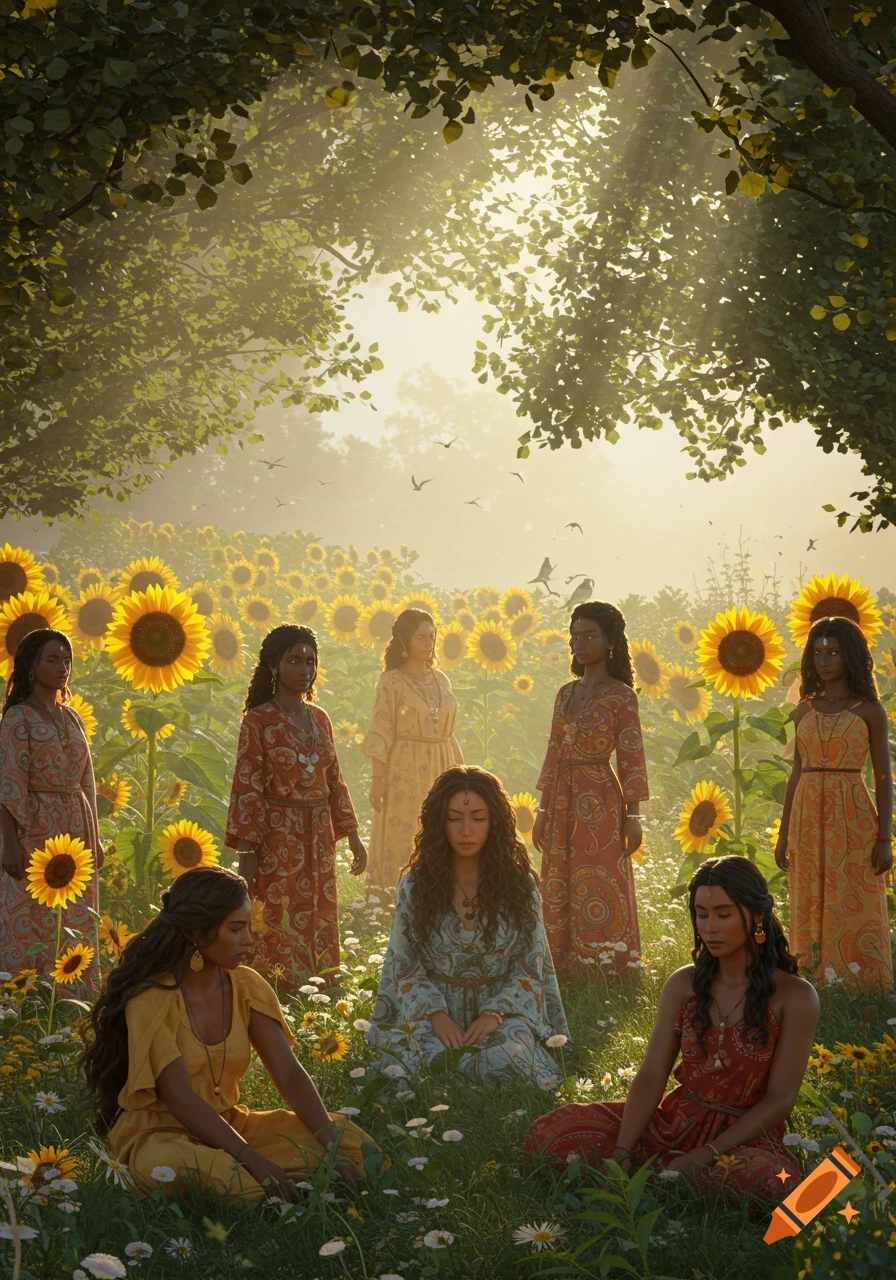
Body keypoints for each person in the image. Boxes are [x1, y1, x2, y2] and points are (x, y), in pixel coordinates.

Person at [526, 856, 820, 1207]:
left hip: (745, 1139)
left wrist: (707, 1154)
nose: (709, 926)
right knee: (550, 1133)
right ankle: (655, 1177)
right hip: (673, 1124)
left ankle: (664, 1180)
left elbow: (780, 1101)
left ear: (757, 916)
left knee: (769, 1183)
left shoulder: (796, 996)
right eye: (701, 913)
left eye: (723, 914)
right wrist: (621, 1152)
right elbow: (652, 1073)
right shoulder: (684, 984)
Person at [82, 867, 375, 1201]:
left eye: (248, 926)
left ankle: (280, 1187)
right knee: (213, 1175)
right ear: (196, 931)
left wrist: (330, 1141)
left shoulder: (246, 986)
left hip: (233, 1125)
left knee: (357, 1148)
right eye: (236, 929)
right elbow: (181, 1099)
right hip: (163, 1134)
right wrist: (253, 1160)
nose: (249, 939)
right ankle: (267, 1191)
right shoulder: (151, 998)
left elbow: (289, 1073)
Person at [368, 766, 570, 1088]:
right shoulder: (415, 886)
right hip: (432, 1015)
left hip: (501, 1017)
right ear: (439, 823)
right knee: (415, 1062)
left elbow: (531, 964)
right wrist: (436, 1015)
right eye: (454, 818)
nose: (466, 830)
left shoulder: (519, 886)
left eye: (478, 818)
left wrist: (495, 1015)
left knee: (508, 1054)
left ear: (494, 822)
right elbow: (403, 963)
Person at [225, 625, 367, 989]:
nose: (305, 668)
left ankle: (320, 984)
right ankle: (277, 988)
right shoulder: (257, 721)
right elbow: (247, 786)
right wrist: (247, 851)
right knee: (277, 908)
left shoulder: (320, 718)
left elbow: (334, 779)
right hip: (277, 833)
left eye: (310, 661)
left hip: (319, 832)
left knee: (319, 908)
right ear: (274, 666)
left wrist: (352, 835)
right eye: (294, 660)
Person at [775, 616, 893, 992]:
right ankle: (811, 979)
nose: (824, 661)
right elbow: (796, 771)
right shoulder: (804, 710)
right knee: (810, 893)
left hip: (853, 815)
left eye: (834, 652)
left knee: (850, 893)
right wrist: (782, 835)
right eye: (818, 652)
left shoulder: (869, 710)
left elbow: (884, 778)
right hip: (807, 816)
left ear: (851, 657)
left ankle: (861, 984)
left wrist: (885, 838)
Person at [532, 602, 648, 974]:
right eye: (575, 636)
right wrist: (542, 810)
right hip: (561, 797)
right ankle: (563, 963)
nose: (579, 644)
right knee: (559, 876)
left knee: (600, 874)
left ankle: (606, 963)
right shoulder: (565, 693)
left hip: (599, 797)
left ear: (610, 641)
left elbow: (631, 757)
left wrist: (633, 816)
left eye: (589, 636)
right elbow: (552, 753)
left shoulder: (622, 696)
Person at [0, 629, 102, 973]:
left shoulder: (72, 717)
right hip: (34, 825)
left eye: (67, 660)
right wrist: (11, 844)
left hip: (76, 824)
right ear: (31, 665)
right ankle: (24, 996)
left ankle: (71, 993)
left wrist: (96, 838)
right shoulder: (18, 719)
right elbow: (9, 781)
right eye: (53, 660)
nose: (63, 667)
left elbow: (86, 779)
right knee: (30, 910)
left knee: (75, 910)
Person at [363, 609, 463, 888]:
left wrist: (464, 773)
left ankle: (441, 893)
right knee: (406, 831)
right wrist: (378, 779)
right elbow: (381, 729)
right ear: (404, 641)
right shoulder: (391, 681)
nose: (428, 642)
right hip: (404, 770)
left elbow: (449, 732)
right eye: (421, 637)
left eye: (432, 636)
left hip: (443, 765)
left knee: (443, 828)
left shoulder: (442, 679)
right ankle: (395, 895)